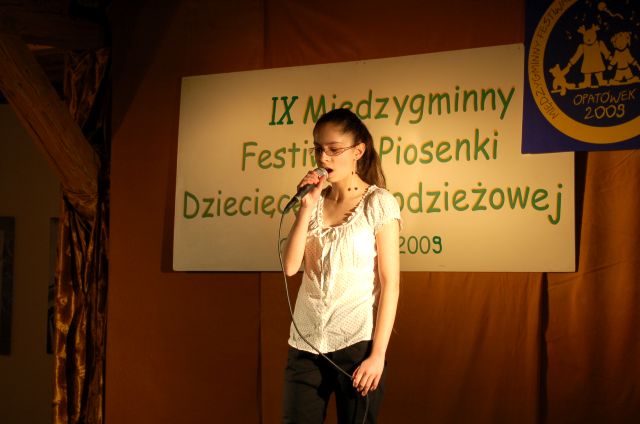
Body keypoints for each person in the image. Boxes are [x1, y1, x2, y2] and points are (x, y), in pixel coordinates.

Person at [281, 108, 401, 423]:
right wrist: (306, 206)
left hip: (356, 345)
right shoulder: (314, 202)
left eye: (334, 149)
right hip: (305, 343)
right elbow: (290, 267)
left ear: (358, 151)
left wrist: (378, 355)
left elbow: (390, 284)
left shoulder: (378, 202)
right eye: (318, 149)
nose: (324, 157)